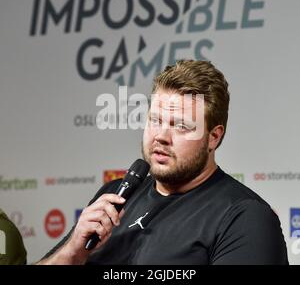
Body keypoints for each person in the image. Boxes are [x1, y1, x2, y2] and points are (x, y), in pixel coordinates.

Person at [38, 60, 288, 265]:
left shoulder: (245, 216)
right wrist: (73, 252)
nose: (161, 136)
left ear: (213, 137)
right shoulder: (114, 195)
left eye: (180, 126)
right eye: (155, 120)